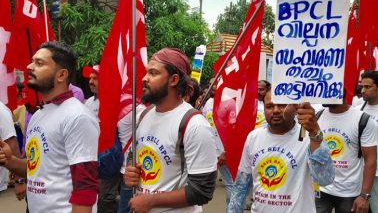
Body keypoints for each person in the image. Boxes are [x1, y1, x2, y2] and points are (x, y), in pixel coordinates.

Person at [0, 41, 99, 212]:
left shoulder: (77, 116)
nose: (29, 66)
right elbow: (35, 168)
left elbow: (85, 186)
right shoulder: (39, 115)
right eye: (32, 61)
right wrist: (9, 160)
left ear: (61, 75)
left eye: (39, 63)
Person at [124, 48, 217, 213]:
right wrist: (131, 168)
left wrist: (151, 201)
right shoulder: (143, 115)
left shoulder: (195, 125)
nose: (145, 78)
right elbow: (134, 153)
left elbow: (202, 190)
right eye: (147, 72)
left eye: (153, 73)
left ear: (173, 79)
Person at [227, 90, 335, 212]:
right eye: (269, 106)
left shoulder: (308, 137)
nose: (276, 110)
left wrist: (315, 132)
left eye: (282, 105)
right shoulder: (254, 137)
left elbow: (325, 179)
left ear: (295, 107)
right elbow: (241, 186)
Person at [82, 63, 146, 213]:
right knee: (103, 197)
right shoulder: (88, 103)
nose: (91, 82)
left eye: (95, 78)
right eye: (90, 78)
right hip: (103, 159)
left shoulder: (126, 103)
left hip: (125, 163)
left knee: (109, 198)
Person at [315, 98, 377, 213]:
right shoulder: (317, 116)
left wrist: (364, 196)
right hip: (320, 190)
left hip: (349, 193)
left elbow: (370, 160)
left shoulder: (362, 119)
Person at [360, 71, 378, 213]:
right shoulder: (357, 108)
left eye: (368, 87)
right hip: (356, 171)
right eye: (362, 86)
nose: (363, 90)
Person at [202, 77, 234, 205]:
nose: (211, 87)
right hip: (210, 152)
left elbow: (233, 130)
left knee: (231, 183)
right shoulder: (208, 102)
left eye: (214, 84)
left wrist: (226, 152)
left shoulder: (230, 103)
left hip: (224, 153)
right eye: (210, 84)